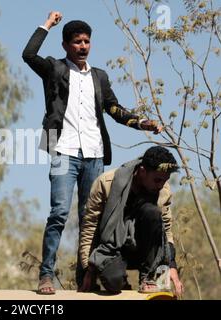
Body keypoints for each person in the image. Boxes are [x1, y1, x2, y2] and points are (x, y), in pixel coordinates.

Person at [22, 11, 163, 294]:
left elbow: (114, 109)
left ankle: (84, 275)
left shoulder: (100, 77)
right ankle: (46, 275)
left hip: (94, 154)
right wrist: (47, 25)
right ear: (66, 45)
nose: (83, 46)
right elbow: (28, 54)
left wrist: (141, 123)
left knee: (91, 217)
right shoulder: (55, 69)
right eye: (77, 42)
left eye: (87, 41)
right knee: (59, 213)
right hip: (62, 150)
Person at [78, 146, 184, 297]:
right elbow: (89, 227)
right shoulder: (106, 183)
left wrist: (171, 265)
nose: (160, 185)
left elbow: (165, 230)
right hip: (111, 248)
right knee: (113, 282)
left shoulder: (163, 191)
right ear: (142, 171)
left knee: (152, 212)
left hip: (144, 250)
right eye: (157, 180)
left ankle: (148, 277)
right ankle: (121, 281)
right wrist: (88, 269)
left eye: (165, 180)